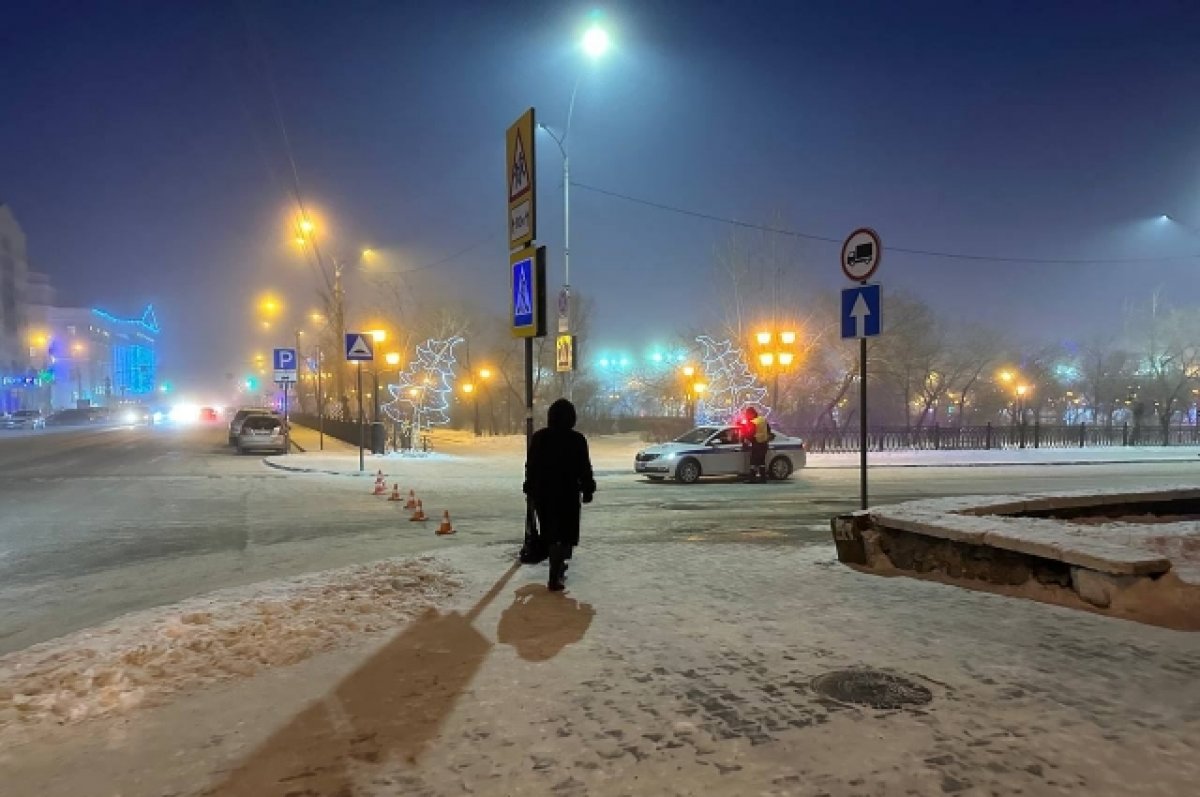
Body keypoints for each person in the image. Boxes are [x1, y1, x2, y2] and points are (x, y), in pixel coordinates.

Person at [523, 399, 596, 591]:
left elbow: (531, 466)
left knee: (550, 531)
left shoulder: (540, 437)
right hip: (568, 493)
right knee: (566, 533)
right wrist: (588, 488)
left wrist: (529, 487)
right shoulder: (577, 439)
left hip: (543, 493)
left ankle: (556, 568)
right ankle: (555, 574)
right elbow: (584, 467)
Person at [743, 406, 771, 484]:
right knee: (761, 462)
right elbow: (768, 430)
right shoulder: (763, 420)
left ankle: (752, 478)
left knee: (753, 462)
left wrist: (745, 438)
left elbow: (751, 433)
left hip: (757, 444)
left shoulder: (754, 422)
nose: (746, 416)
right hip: (764, 444)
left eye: (747, 414)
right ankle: (763, 478)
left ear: (751, 413)